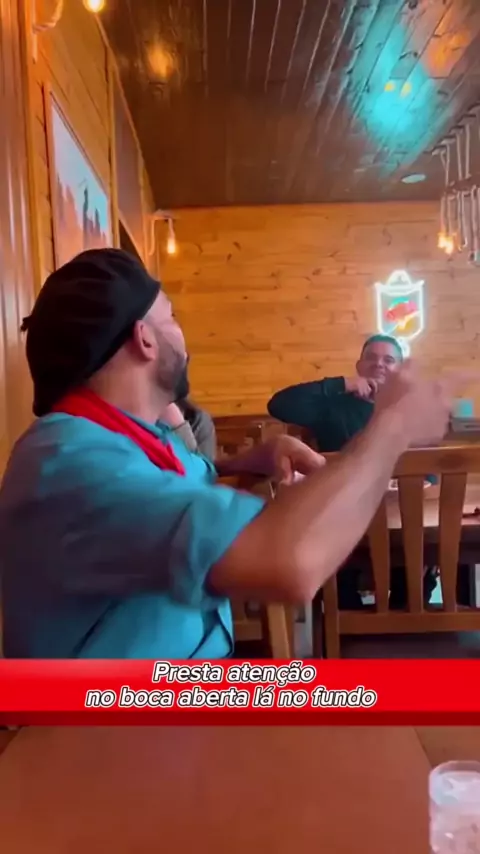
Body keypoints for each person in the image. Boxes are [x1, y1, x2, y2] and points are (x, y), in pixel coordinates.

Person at [0, 249, 453, 658]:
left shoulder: (129, 439)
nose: (183, 337)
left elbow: (185, 479)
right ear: (145, 339)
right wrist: (394, 426)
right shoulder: (72, 460)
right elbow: (290, 562)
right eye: (172, 317)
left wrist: (247, 461)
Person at [267, 334, 404, 452]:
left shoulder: (410, 409)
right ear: (359, 366)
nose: (379, 364)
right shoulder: (333, 406)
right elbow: (279, 405)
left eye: (388, 360)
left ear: (401, 370)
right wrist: (342, 383)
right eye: (371, 358)